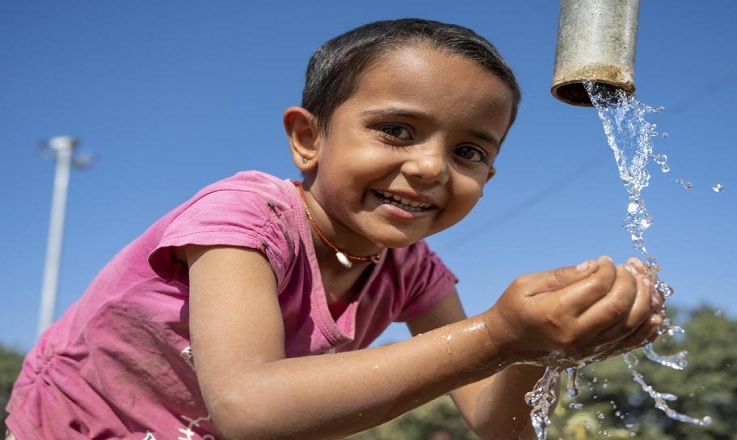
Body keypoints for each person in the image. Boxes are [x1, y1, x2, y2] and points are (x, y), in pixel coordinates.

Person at [6, 18, 663, 440]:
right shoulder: (248, 213)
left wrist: (537, 352)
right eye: (397, 130)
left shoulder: (414, 271)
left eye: (469, 152)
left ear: (489, 177)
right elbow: (249, 407)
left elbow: (497, 423)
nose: (431, 167)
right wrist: (496, 335)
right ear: (307, 138)